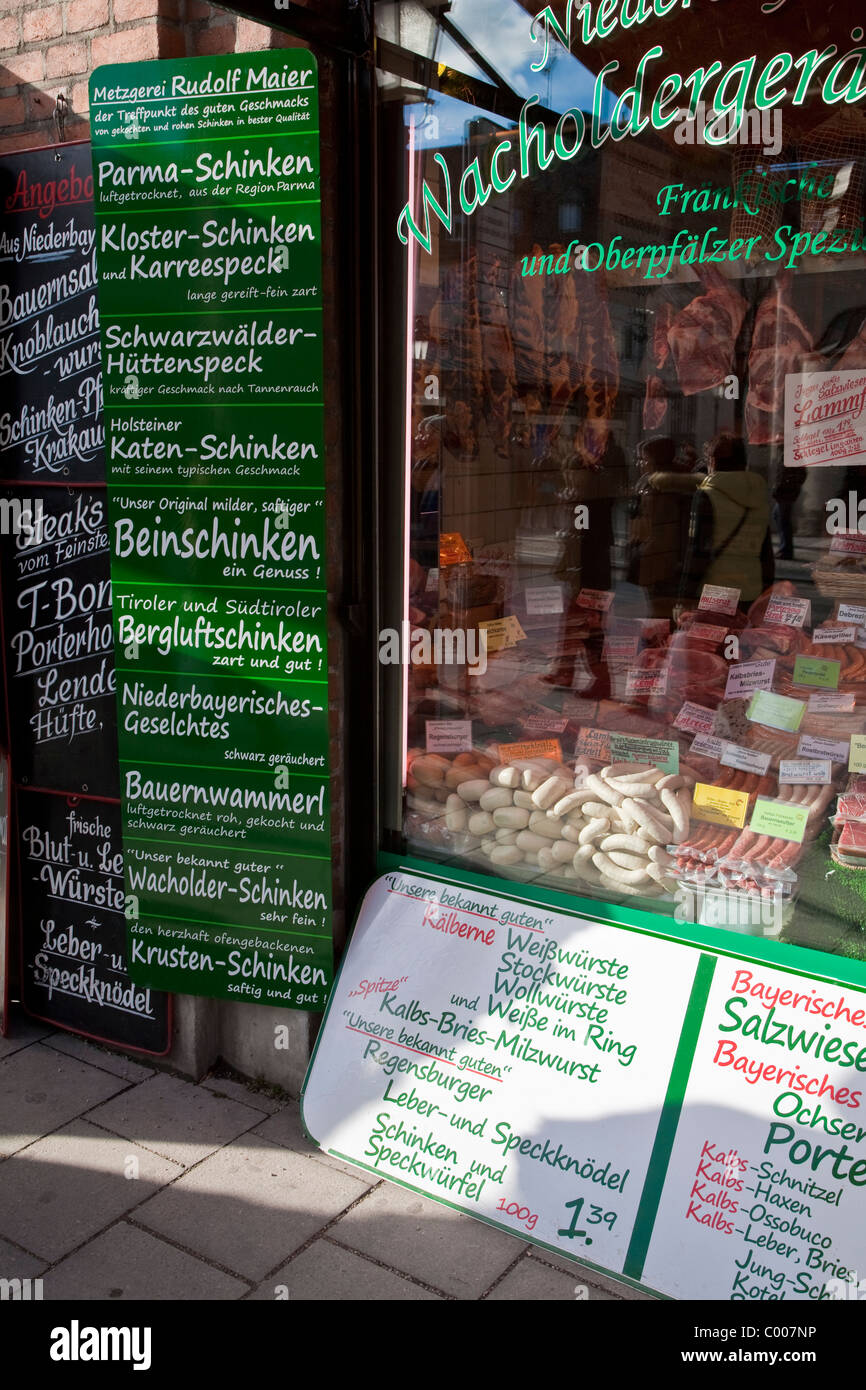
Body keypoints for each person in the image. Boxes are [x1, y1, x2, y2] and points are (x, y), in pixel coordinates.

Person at [680, 433, 773, 605]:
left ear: (712, 461)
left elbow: (699, 552)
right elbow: (766, 552)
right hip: (751, 589)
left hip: (715, 591)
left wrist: (684, 596)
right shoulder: (759, 494)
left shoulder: (706, 495)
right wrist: (767, 588)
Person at [626, 436, 701, 615]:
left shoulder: (659, 489)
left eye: (644, 459)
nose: (640, 464)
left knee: (658, 613)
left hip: (659, 562)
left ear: (656, 461)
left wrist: (639, 554)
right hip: (667, 560)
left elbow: (662, 531)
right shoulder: (659, 483)